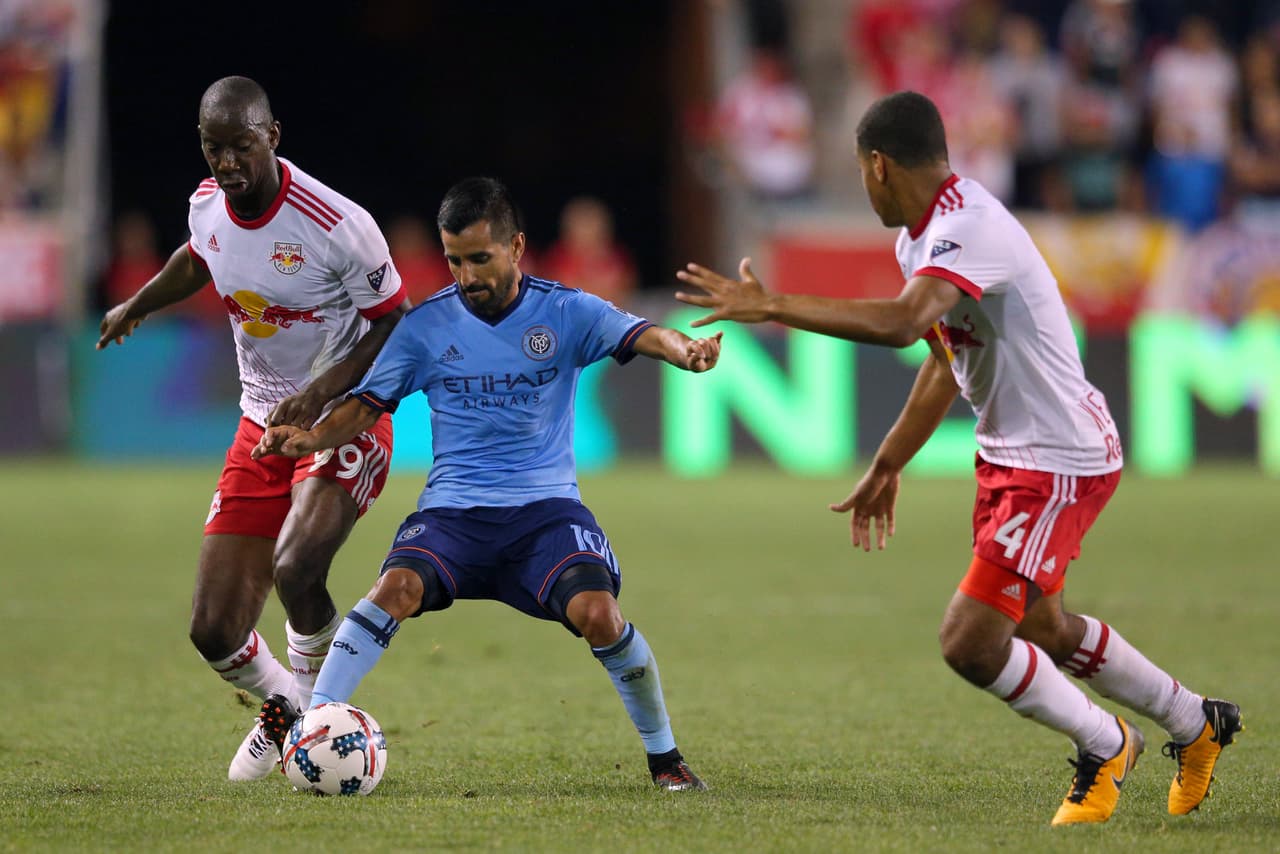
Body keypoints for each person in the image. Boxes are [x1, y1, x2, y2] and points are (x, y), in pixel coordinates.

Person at [674, 91, 1241, 824]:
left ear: (878, 165)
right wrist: (887, 464)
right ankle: (1199, 724)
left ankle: (1107, 744)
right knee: (1042, 628)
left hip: (1057, 458)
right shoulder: (923, 235)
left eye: (860, 171)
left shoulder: (967, 227)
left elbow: (906, 322)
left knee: (969, 642)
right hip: (1013, 455)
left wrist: (775, 305)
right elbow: (945, 360)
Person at [251, 177, 721, 792]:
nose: (467, 275)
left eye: (480, 258)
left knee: (600, 615)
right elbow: (367, 405)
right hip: (453, 516)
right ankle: (312, 730)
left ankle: (666, 759)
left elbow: (642, 333)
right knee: (393, 588)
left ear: (516, 246)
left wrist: (683, 350)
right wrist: (311, 439)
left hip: (545, 514)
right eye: (454, 260)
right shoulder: (425, 326)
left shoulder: (565, 311)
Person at [96, 76, 409, 781]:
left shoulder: (334, 222)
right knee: (213, 630)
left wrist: (323, 394)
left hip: (343, 420)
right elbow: (197, 260)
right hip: (259, 425)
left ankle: (317, 715)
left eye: (240, 145)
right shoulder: (207, 206)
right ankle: (290, 709)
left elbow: (396, 318)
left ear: (272, 135)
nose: (226, 163)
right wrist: (137, 305)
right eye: (213, 148)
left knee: (297, 566)